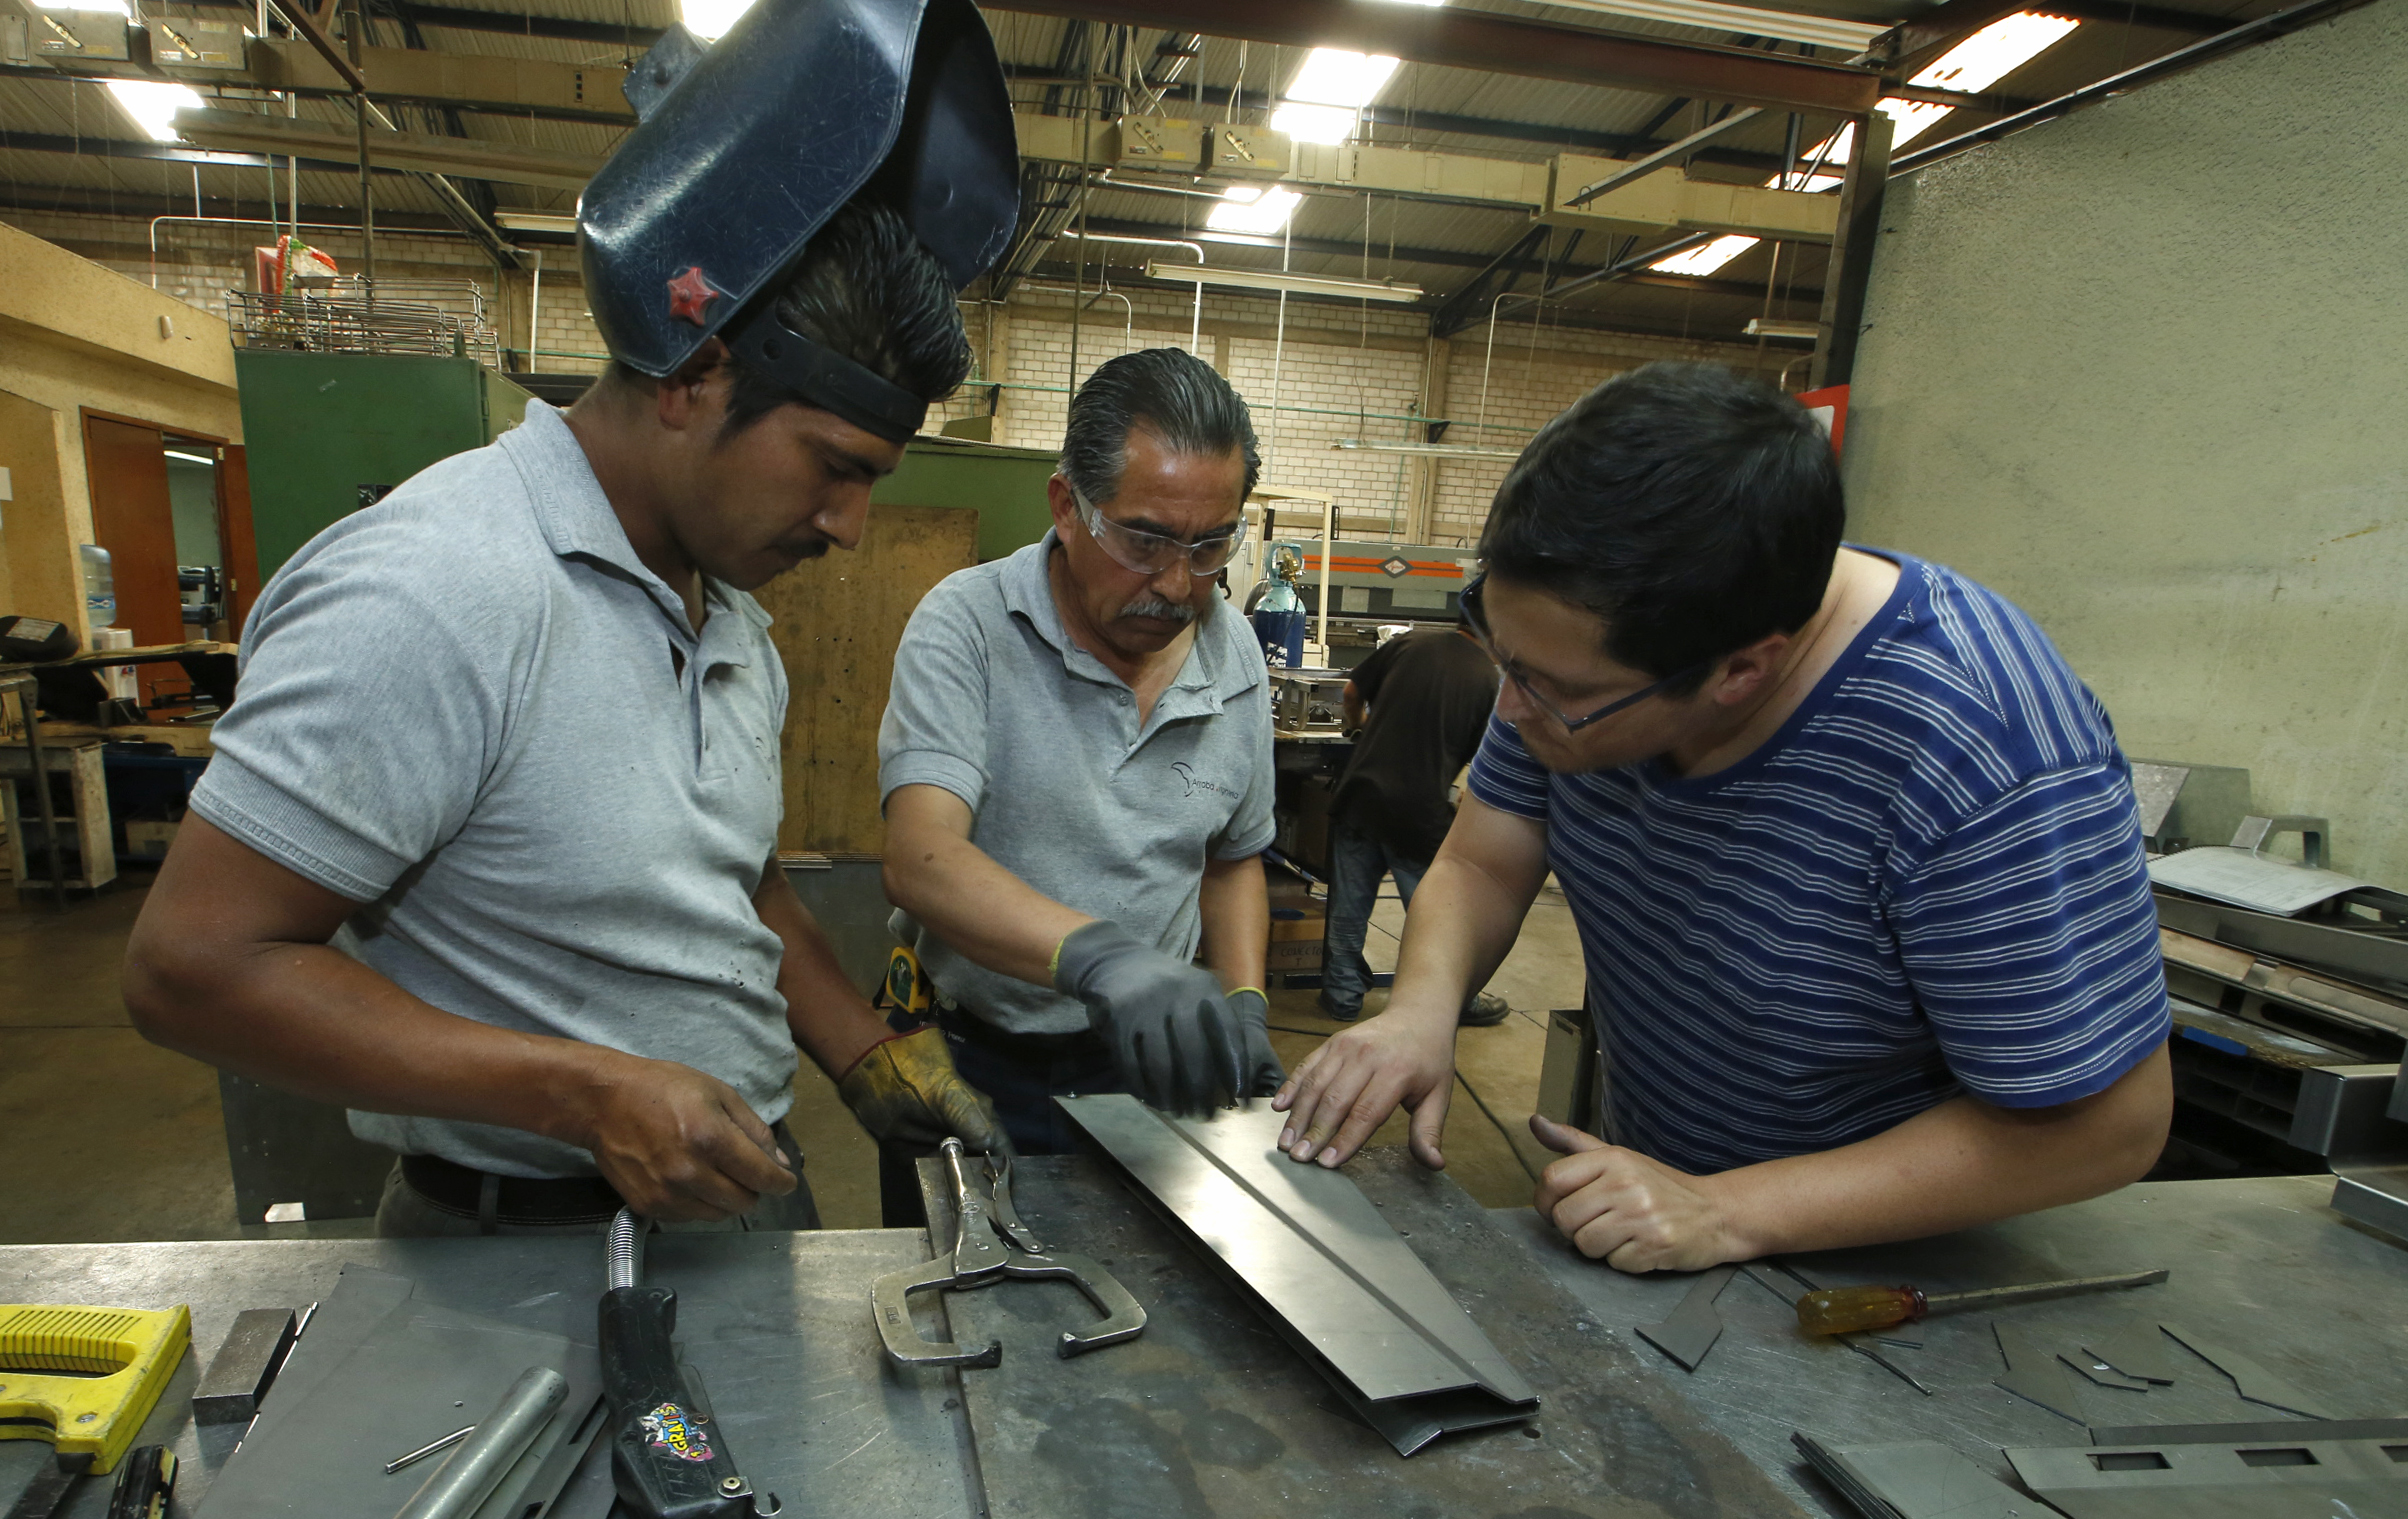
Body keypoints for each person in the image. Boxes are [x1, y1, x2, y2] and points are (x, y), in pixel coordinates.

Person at [120, 3, 1021, 1236]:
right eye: (832, 465)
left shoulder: (724, 612)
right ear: (693, 372)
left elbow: (734, 891)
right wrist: (584, 1096)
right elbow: (192, 970)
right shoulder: (434, 590)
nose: (850, 524)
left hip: (733, 1200)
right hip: (510, 1244)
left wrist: (866, 1058)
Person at [1273, 362, 2171, 1273]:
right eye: (1507, 658)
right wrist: (1422, 1008)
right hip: (1670, 1220)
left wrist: (1730, 1211)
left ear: (1740, 670)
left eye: (1557, 690)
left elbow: (2108, 1129)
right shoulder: (1570, 661)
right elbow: (1481, 865)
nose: (1511, 712)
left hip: (1891, 1270)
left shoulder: (1984, 751)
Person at [871, 348, 1279, 1221]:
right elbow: (920, 856)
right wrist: (1102, 957)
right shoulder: (969, 623)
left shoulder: (1234, 650)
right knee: (961, 1315)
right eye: (1144, 541)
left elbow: (1233, 858)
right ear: (1067, 506)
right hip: (966, 1055)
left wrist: (1242, 1000)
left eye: (1211, 546)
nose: (1177, 584)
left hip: (1145, 1067)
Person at [1318, 576, 1509, 1028]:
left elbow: (1350, 694)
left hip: (1361, 798)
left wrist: (1356, 729)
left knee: (1347, 912)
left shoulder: (1410, 644)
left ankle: (1341, 998)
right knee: (1435, 918)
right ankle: (1455, 1001)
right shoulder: (1489, 680)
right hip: (1419, 815)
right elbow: (1486, 766)